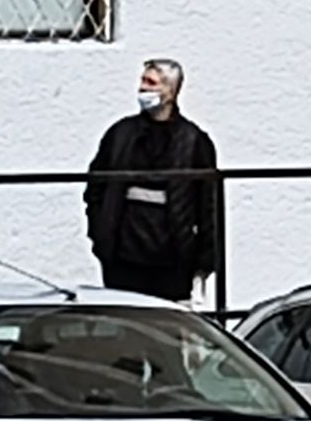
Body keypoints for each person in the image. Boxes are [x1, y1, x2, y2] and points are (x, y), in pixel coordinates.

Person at [85, 59, 222, 304]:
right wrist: (100, 235)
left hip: (173, 260)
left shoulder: (194, 142)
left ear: (171, 91)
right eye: (142, 81)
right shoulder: (120, 134)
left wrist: (204, 261)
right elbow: (95, 189)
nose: (142, 88)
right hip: (122, 259)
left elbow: (209, 206)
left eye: (151, 83)